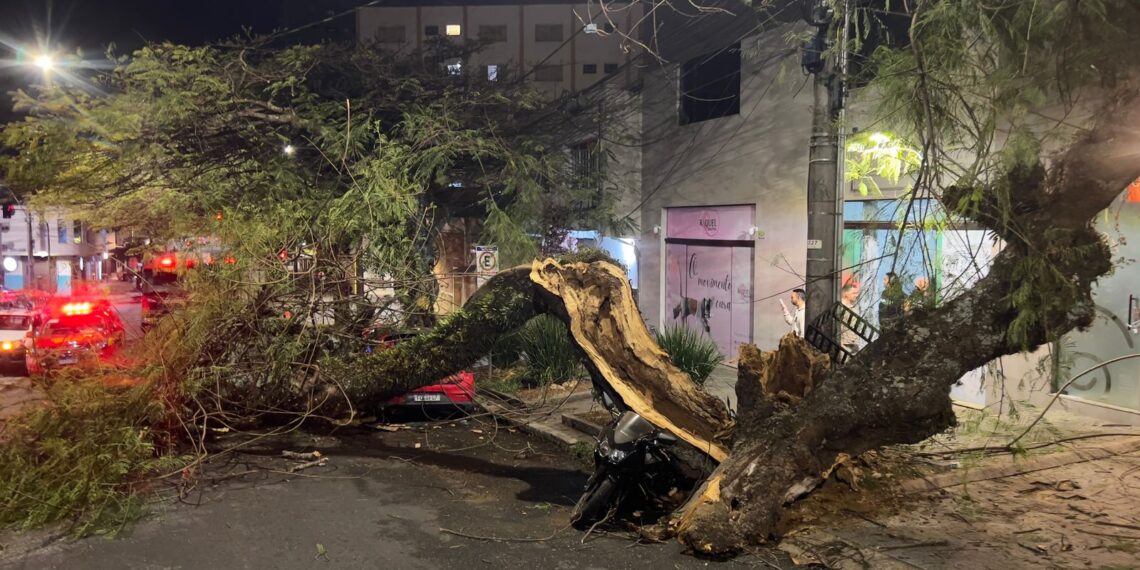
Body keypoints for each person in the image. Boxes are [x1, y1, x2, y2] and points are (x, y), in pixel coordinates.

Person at [840, 283, 862, 354]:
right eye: (853, 293)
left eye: (856, 293)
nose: (856, 295)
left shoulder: (854, 307)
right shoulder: (841, 306)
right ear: (846, 294)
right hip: (844, 345)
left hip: (854, 344)